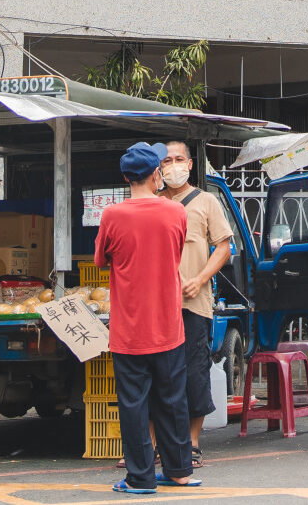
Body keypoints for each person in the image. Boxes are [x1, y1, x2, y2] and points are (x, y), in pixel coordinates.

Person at [95, 141, 198, 494]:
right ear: (156, 174)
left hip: (129, 329)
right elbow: (175, 250)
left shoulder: (112, 215)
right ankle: (180, 471)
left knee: (133, 404)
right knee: (173, 400)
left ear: (126, 177)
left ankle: (140, 478)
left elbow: (100, 260)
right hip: (168, 324)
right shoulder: (176, 211)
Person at [159, 140, 233, 466]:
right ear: (158, 168)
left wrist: (200, 279)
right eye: (166, 161)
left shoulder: (206, 202)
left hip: (194, 304)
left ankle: (191, 443)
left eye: (179, 159)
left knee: (194, 374)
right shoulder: (152, 203)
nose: (173, 165)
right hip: (156, 307)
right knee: (158, 375)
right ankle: (155, 444)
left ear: (190, 164)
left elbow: (223, 247)